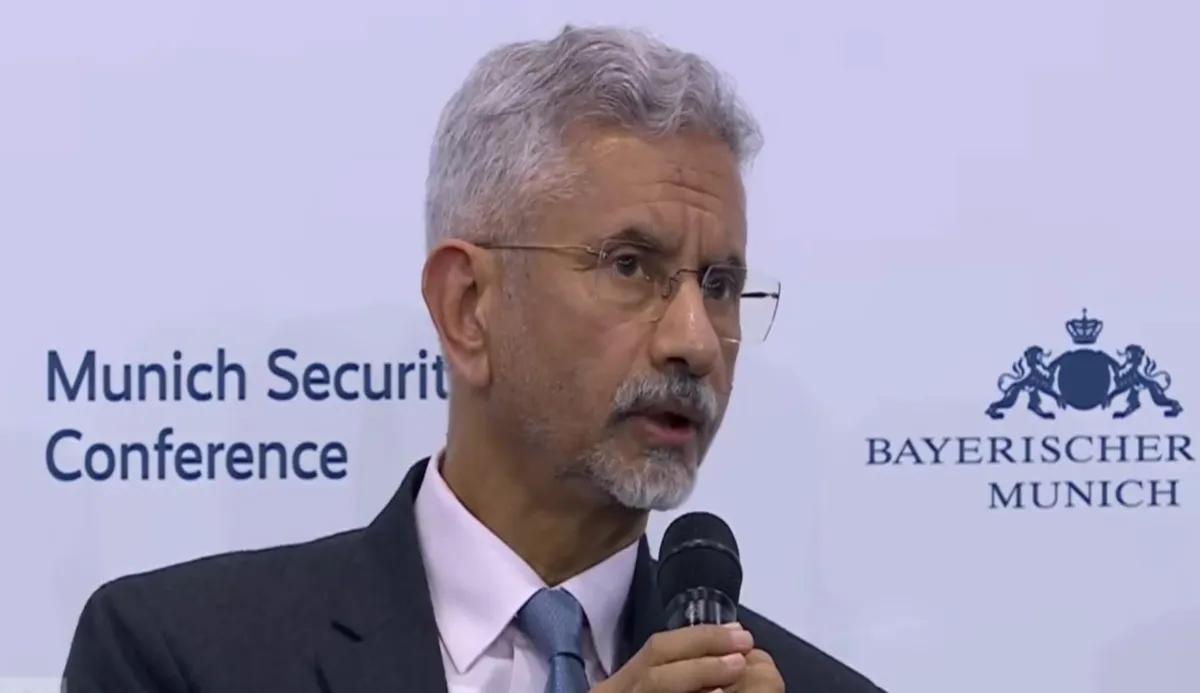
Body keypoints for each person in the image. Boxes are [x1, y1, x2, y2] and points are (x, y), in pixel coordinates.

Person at [63, 25, 886, 693]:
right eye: (631, 265)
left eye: (721, 284)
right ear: (467, 306)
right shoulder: (180, 656)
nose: (695, 339)